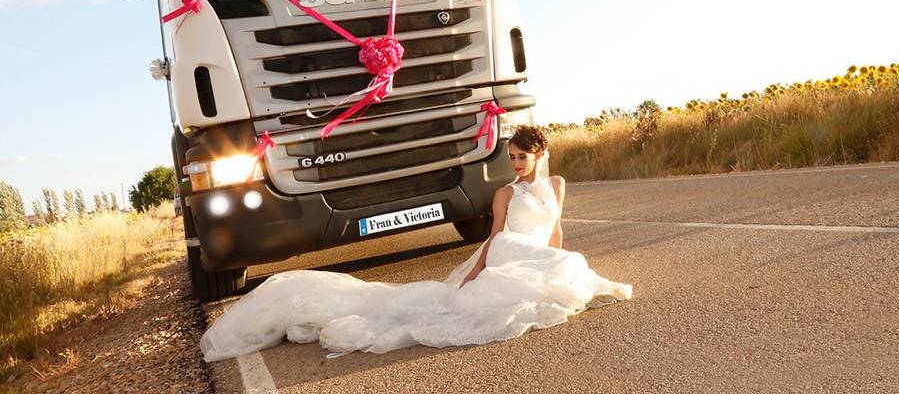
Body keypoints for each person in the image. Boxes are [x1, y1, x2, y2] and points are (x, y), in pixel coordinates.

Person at [199, 125, 632, 362]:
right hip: (508, 248)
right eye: (511, 158)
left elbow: (555, 231)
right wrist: (478, 268)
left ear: (539, 154)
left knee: (567, 260)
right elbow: (496, 234)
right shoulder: (505, 193)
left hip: (535, 249)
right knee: (541, 274)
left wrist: (559, 252)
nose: (515, 164)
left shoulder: (556, 184)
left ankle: (560, 273)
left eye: (521, 157)